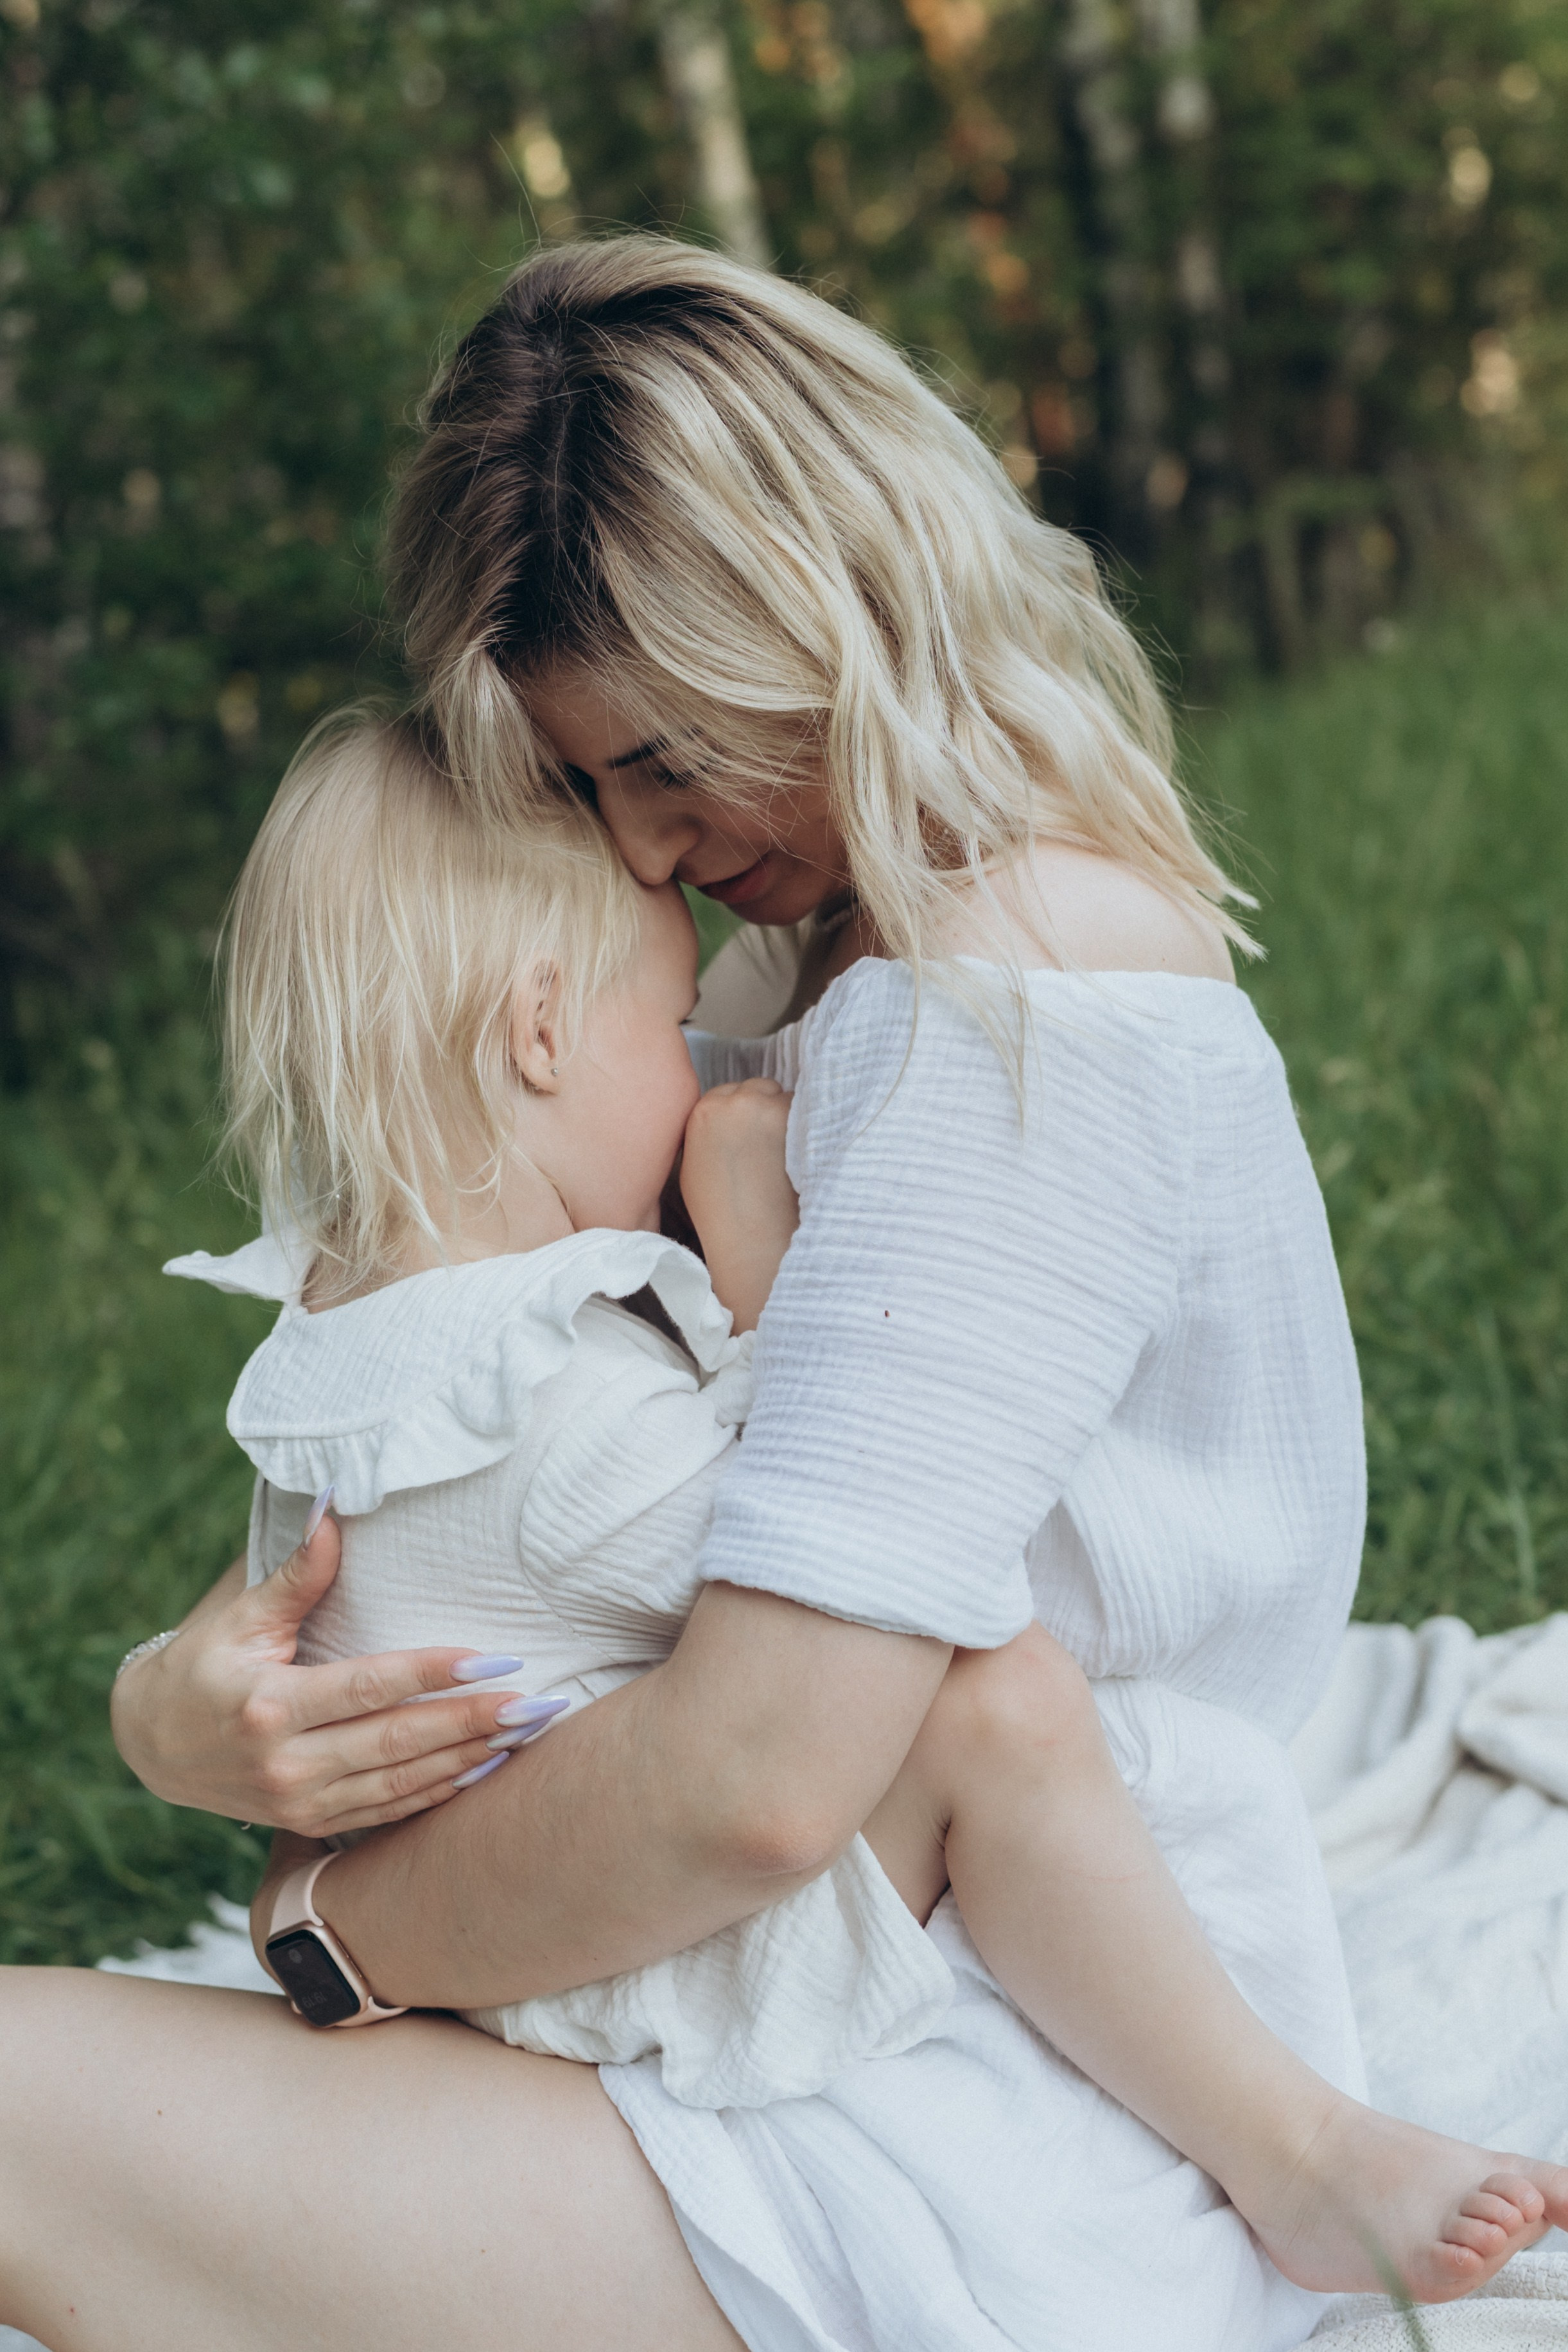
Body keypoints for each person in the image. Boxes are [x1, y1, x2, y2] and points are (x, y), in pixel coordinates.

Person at [4, 235, 1565, 2352]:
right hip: (819, 1965)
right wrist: (179, 1710)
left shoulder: (994, 999)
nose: (642, 854)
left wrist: (318, 1938)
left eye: (660, 762)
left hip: (990, 2061)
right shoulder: (823, 955)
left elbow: (755, 1772)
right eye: (593, 793)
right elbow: (505, 1399)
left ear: (813, 616)